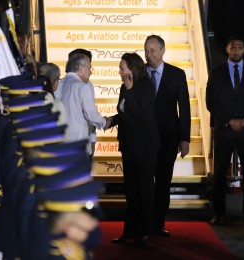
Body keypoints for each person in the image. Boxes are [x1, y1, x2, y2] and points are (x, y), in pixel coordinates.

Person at [206, 35, 244, 226]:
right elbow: (211, 102)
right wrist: (229, 121)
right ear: (227, 50)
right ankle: (219, 212)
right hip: (224, 130)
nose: (236, 51)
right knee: (219, 173)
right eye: (233, 48)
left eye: (240, 48)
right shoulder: (216, 73)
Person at [106, 52, 159, 245]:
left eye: (122, 68)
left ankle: (146, 230)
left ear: (132, 69)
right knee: (131, 190)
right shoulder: (124, 87)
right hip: (128, 145)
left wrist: (129, 90)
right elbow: (125, 113)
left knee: (144, 188)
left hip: (145, 146)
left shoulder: (146, 87)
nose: (119, 71)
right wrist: (111, 121)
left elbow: (138, 113)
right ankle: (130, 230)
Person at [144, 35, 191, 236]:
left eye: (153, 50)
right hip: (144, 138)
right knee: (146, 181)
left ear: (163, 51)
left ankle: (158, 223)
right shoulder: (139, 75)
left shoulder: (177, 74)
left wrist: (185, 138)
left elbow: (185, 109)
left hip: (168, 138)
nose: (149, 54)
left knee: (163, 181)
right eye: (146, 50)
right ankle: (144, 221)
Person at [57, 53, 108, 156]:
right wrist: (103, 122)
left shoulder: (58, 84)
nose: (91, 72)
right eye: (89, 68)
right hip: (79, 143)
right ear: (80, 68)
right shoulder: (83, 87)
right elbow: (91, 115)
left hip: (61, 142)